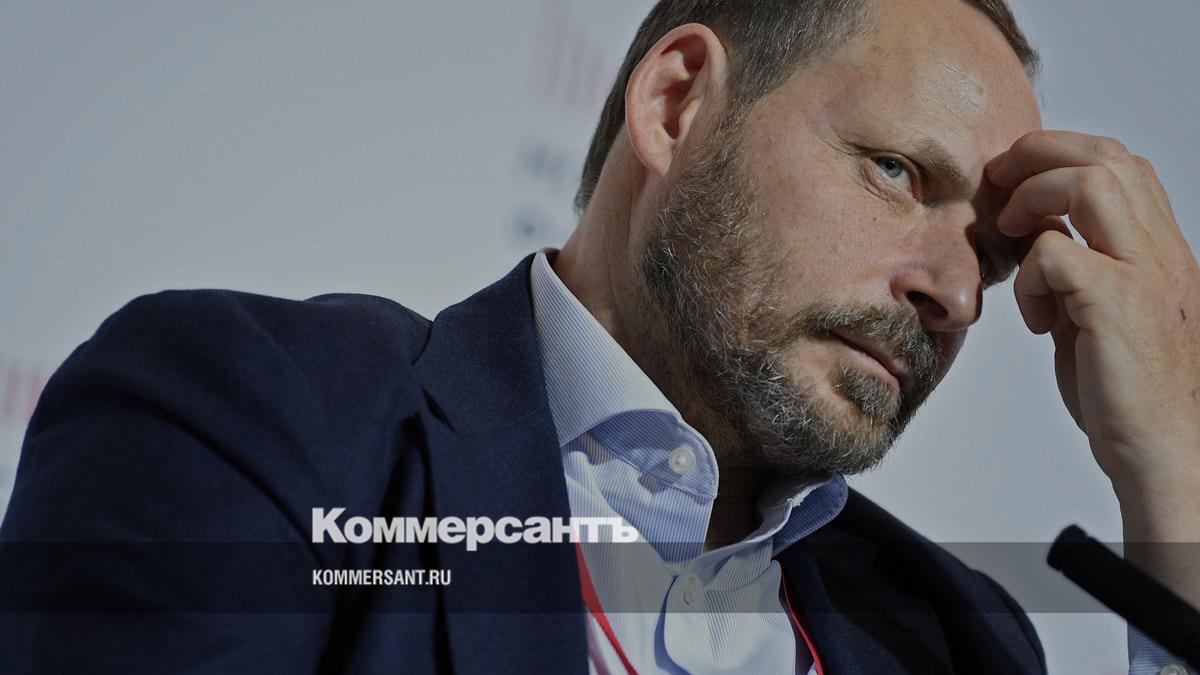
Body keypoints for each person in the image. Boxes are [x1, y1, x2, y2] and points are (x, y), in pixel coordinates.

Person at [1, 0, 1197, 672]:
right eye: (895, 171)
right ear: (676, 104)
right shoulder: (255, 420)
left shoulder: (954, 639)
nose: (956, 294)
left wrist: (1177, 482)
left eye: (990, 254)